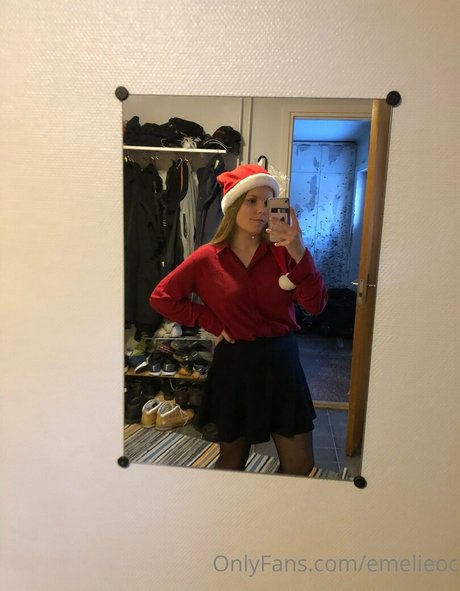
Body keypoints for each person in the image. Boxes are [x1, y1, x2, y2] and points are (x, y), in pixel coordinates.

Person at [149, 164, 327, 476]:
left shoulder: (284, 253)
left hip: (282, 364)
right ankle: (233, 508)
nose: (261, 210)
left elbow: (315, 305)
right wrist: (211, 321)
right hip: (235, 367)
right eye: (251, 201)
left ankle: (274, 509)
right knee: (232, 464)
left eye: (268, 202)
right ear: (232, 206)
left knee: (300, 465)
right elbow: (161, 297)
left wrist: (300, 252)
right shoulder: (207, 258)